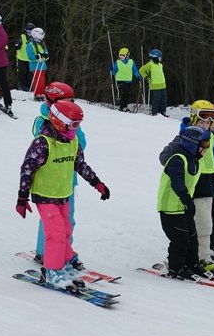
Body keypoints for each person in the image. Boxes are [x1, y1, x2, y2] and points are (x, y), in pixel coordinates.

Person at [15, 100, 110, 289]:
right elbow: (27, 169)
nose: (76, 128)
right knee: (56, 233)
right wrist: (22, 197)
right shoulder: (43, 143)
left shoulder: (72, 141)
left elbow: (80, 164)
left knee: (66, 230)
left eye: (78, 124)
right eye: (74, 124)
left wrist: (97, 183)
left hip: (63, 194)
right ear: (60, 121)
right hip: (45, 195)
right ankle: (52, 270)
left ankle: (63, 264)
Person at [30, 82, 87, 268]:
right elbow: (42, 147)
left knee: (67, 220)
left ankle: (64, 251)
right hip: (49, 181)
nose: (70, 105)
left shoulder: (70, 118)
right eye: (67, 101)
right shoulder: (43, 121)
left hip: (67, 178)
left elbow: (81, 143)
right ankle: (45, 252)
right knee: (52, 221)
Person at [157, 125, 211, 279]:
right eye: (204, 145)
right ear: (192, 144)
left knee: (193, 239)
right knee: (180, 241)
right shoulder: (178, 159)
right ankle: (176, 268)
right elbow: (177, 183)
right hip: (170, 208)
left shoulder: (194, 160)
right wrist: (187, 200)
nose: (206, 149)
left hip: (183, 206)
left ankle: (193, 264)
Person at [181, 100, 214, 272]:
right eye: (202, 122)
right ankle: (196, 256)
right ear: (194, 120)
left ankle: (204, 255)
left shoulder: (211, 136)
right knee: (199, 221)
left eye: (208, 122)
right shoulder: (188, 136)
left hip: (209, 180)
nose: (205, 126)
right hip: (196, 181)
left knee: (207, 222)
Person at [110, 47, 142, 112]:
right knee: (125, 92)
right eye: (120, 55)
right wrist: (111, 70)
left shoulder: (131, 62)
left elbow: (135, 70)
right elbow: (114, 71)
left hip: (128, 81)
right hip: (120, 81)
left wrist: (138, 76)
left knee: (127, 94)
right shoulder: (118, 62)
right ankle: (122, 107)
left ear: (127, 55)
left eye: (123, 55)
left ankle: (124, 106)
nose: (121, 57)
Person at [139, 49, 168, 116]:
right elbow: (141, 70)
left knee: (164, 99)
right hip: (155, 85)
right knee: (157, 99)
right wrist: (147, 77)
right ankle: (155, 112)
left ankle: (163, 112)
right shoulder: (150, 64)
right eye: (159, 57)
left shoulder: (160, 65)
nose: (160, 59)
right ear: (155, 57)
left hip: (162, 85)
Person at [26, 27, 49, 100]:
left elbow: (45, 51)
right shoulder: (30, 44)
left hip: (42, 65)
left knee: (42, 80)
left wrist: (46, 55)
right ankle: (37, 94)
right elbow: (30, 56)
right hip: (35, 65)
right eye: (41, 34)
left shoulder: (41, 43)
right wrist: (37, 56)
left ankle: (41, 93)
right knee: (37, 80)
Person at [14, 23, 35, 91]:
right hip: (21, 58)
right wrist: (17, 45)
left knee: (30, 73)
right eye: (28, 31)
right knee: (22, 72)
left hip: (30, 59)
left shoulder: (35, 38)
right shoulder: (22, 36)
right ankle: (22, 85)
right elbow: (16, 46)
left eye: (30, 31)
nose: (29, 33)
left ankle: (30, 86)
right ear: (25, 30)